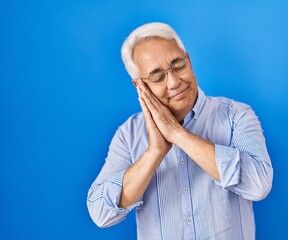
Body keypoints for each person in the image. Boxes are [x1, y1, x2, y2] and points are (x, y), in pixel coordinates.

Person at [87, 22, 273, 240]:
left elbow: (259, 185)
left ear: (189, 60)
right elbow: (100, 214)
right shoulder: (129, 134)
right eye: (157, 77)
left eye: (179, 65)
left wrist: (178, 134)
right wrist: (154, 153)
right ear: (140, 86)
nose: (175, 82)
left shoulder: (236, 115)